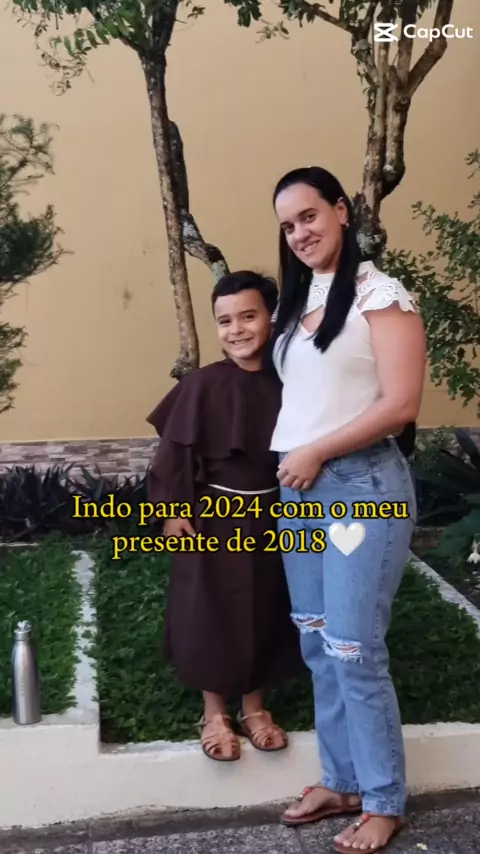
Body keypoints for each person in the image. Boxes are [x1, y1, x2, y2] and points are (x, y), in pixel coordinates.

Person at [268, 167, 426, 852]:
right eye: (288, 225)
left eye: (309, 216)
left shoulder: (381, 295)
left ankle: (384, 800)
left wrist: (317, 452)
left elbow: (401, 404)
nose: (299, 233)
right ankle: (343, 781)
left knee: (355, 648)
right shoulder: (298, 300)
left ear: (341, 211)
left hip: (362, 490)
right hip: (299, 492)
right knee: (318, 643)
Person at [145, 270, 303, 763]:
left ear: (272, 318)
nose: (236, 330)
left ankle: (255, 707)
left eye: (248, 316)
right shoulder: (202, 385)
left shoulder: (293, 381)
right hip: (210, 518)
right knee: (208, 609)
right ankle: (214, 712)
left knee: (267, 604)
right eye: (225, 320)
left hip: (273, 513)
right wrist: (173, 510)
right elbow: (173, 455)